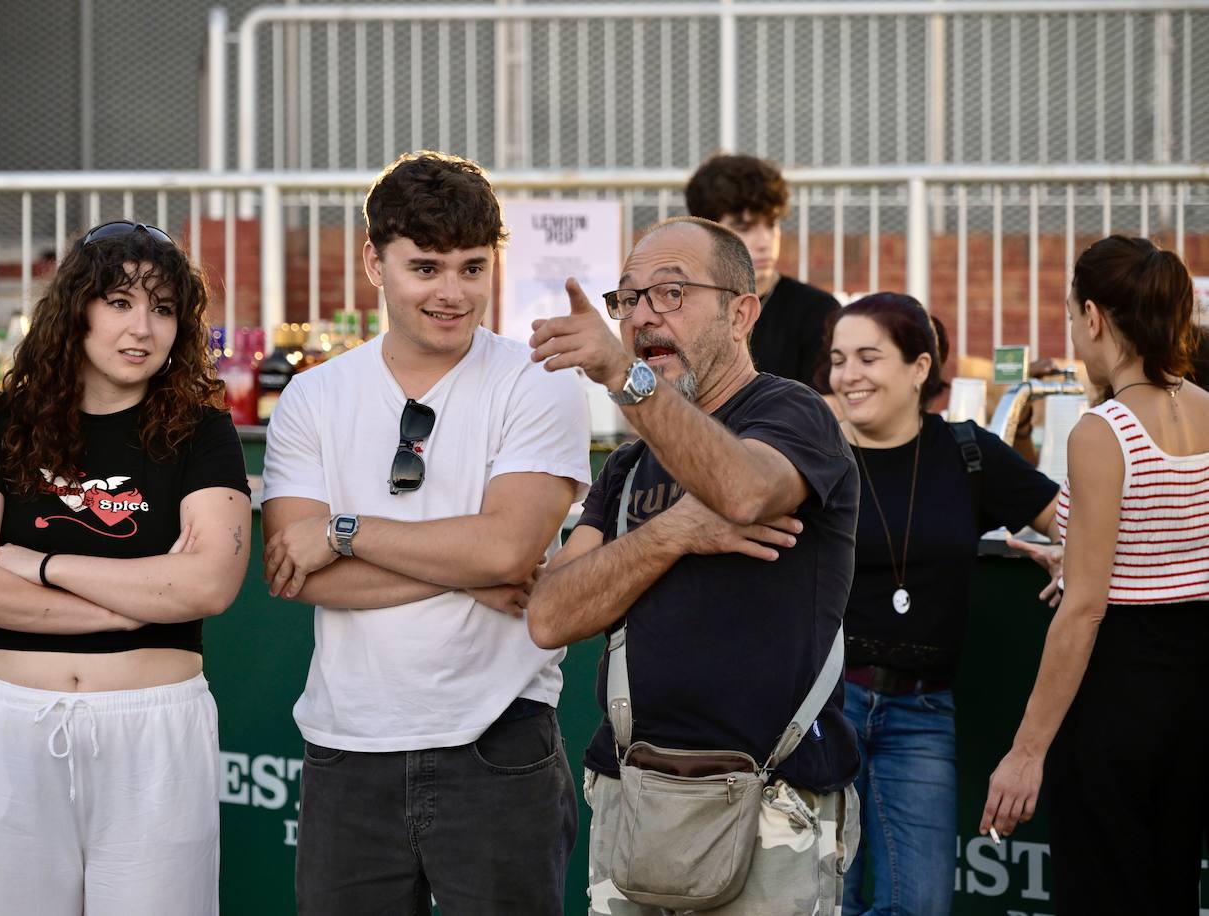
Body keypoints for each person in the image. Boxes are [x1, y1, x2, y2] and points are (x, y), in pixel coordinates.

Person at [260, 151, 591, 914]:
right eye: (427, 268)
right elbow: (294, 573)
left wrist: (344, 530)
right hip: (348, 752)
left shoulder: (536, 379)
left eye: (473, 269)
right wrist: (474, 565)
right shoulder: (312, 398)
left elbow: (509, 551)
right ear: (374, 263)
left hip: (497, 744)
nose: (453, 292)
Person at [527, 215, 861, 914]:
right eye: (629, 299)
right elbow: (550, 615)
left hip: (773, 802)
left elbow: (742, 490)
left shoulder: (793, 413)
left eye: (671, 294)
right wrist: (671, 533)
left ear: (742, 312)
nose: (644, 316)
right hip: (634, 798)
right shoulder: (626, 465)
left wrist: (623, 376)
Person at [0, 220, 252, 915]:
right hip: (12, 725)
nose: (144, 327)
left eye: (164, 309)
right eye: (120, 302)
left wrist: (40, 565)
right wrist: (140, 599)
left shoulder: (201, 430)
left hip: (154, 732)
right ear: (76, 308)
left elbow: (207, 584)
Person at [982, 236, 1209, 915]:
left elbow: (1084, 610)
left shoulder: (1102, 429)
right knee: (1169, 886)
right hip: (1196, 688)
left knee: (1102, 890)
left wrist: (1026, 752)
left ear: (1093, 316)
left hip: (1119, 692)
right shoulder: (1207, 408)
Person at [821, 293, 1061, 916]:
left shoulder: (967, 452)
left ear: (920, 367)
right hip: (822, 707)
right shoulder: (813, 453)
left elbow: (1080, 521)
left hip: (921, 710)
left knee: (920, 906)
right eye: (839, 359)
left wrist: (1072, 554)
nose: (848, 375)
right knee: (822, 904)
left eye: (869, 357)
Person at [685, 153, 840, 390]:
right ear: (706, 231)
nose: (764, 241)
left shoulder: (816, 311)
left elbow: (833, 408)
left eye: (771, 224)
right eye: (744, 227)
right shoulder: (678, 308)